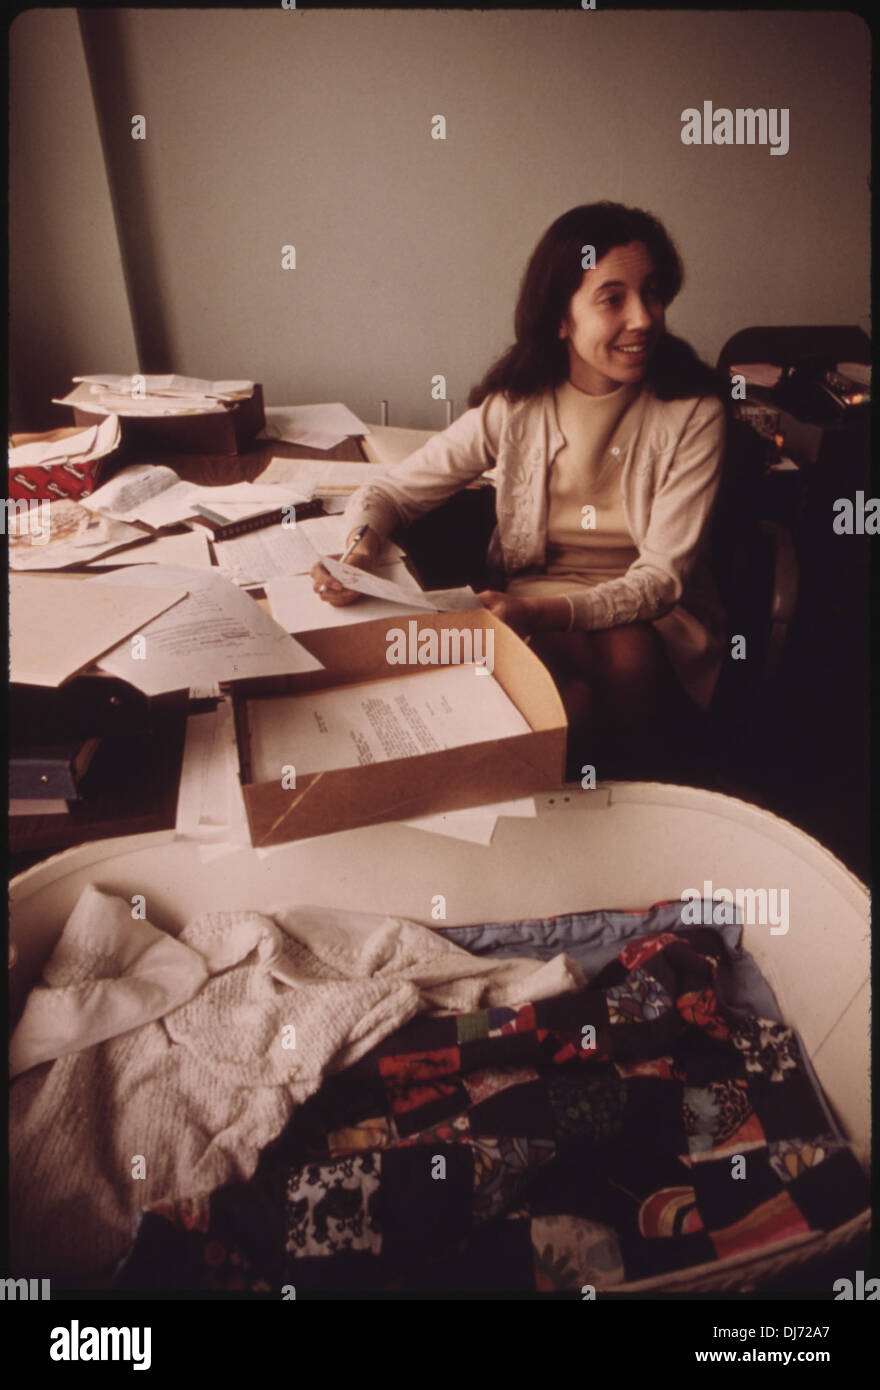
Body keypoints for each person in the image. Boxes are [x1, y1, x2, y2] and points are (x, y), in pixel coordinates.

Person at [311, 202, 728, 780]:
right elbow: (390, 493)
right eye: (613, 299)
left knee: (624, 655)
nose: (643, 318)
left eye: (652, 293)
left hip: (654, 622)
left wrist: (538, 612)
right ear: (561, 318)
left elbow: (659, 582)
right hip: (529, 607)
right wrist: (358, 551)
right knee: (567, 716)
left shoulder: (694, 412)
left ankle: (644, 788)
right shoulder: (516, 407)